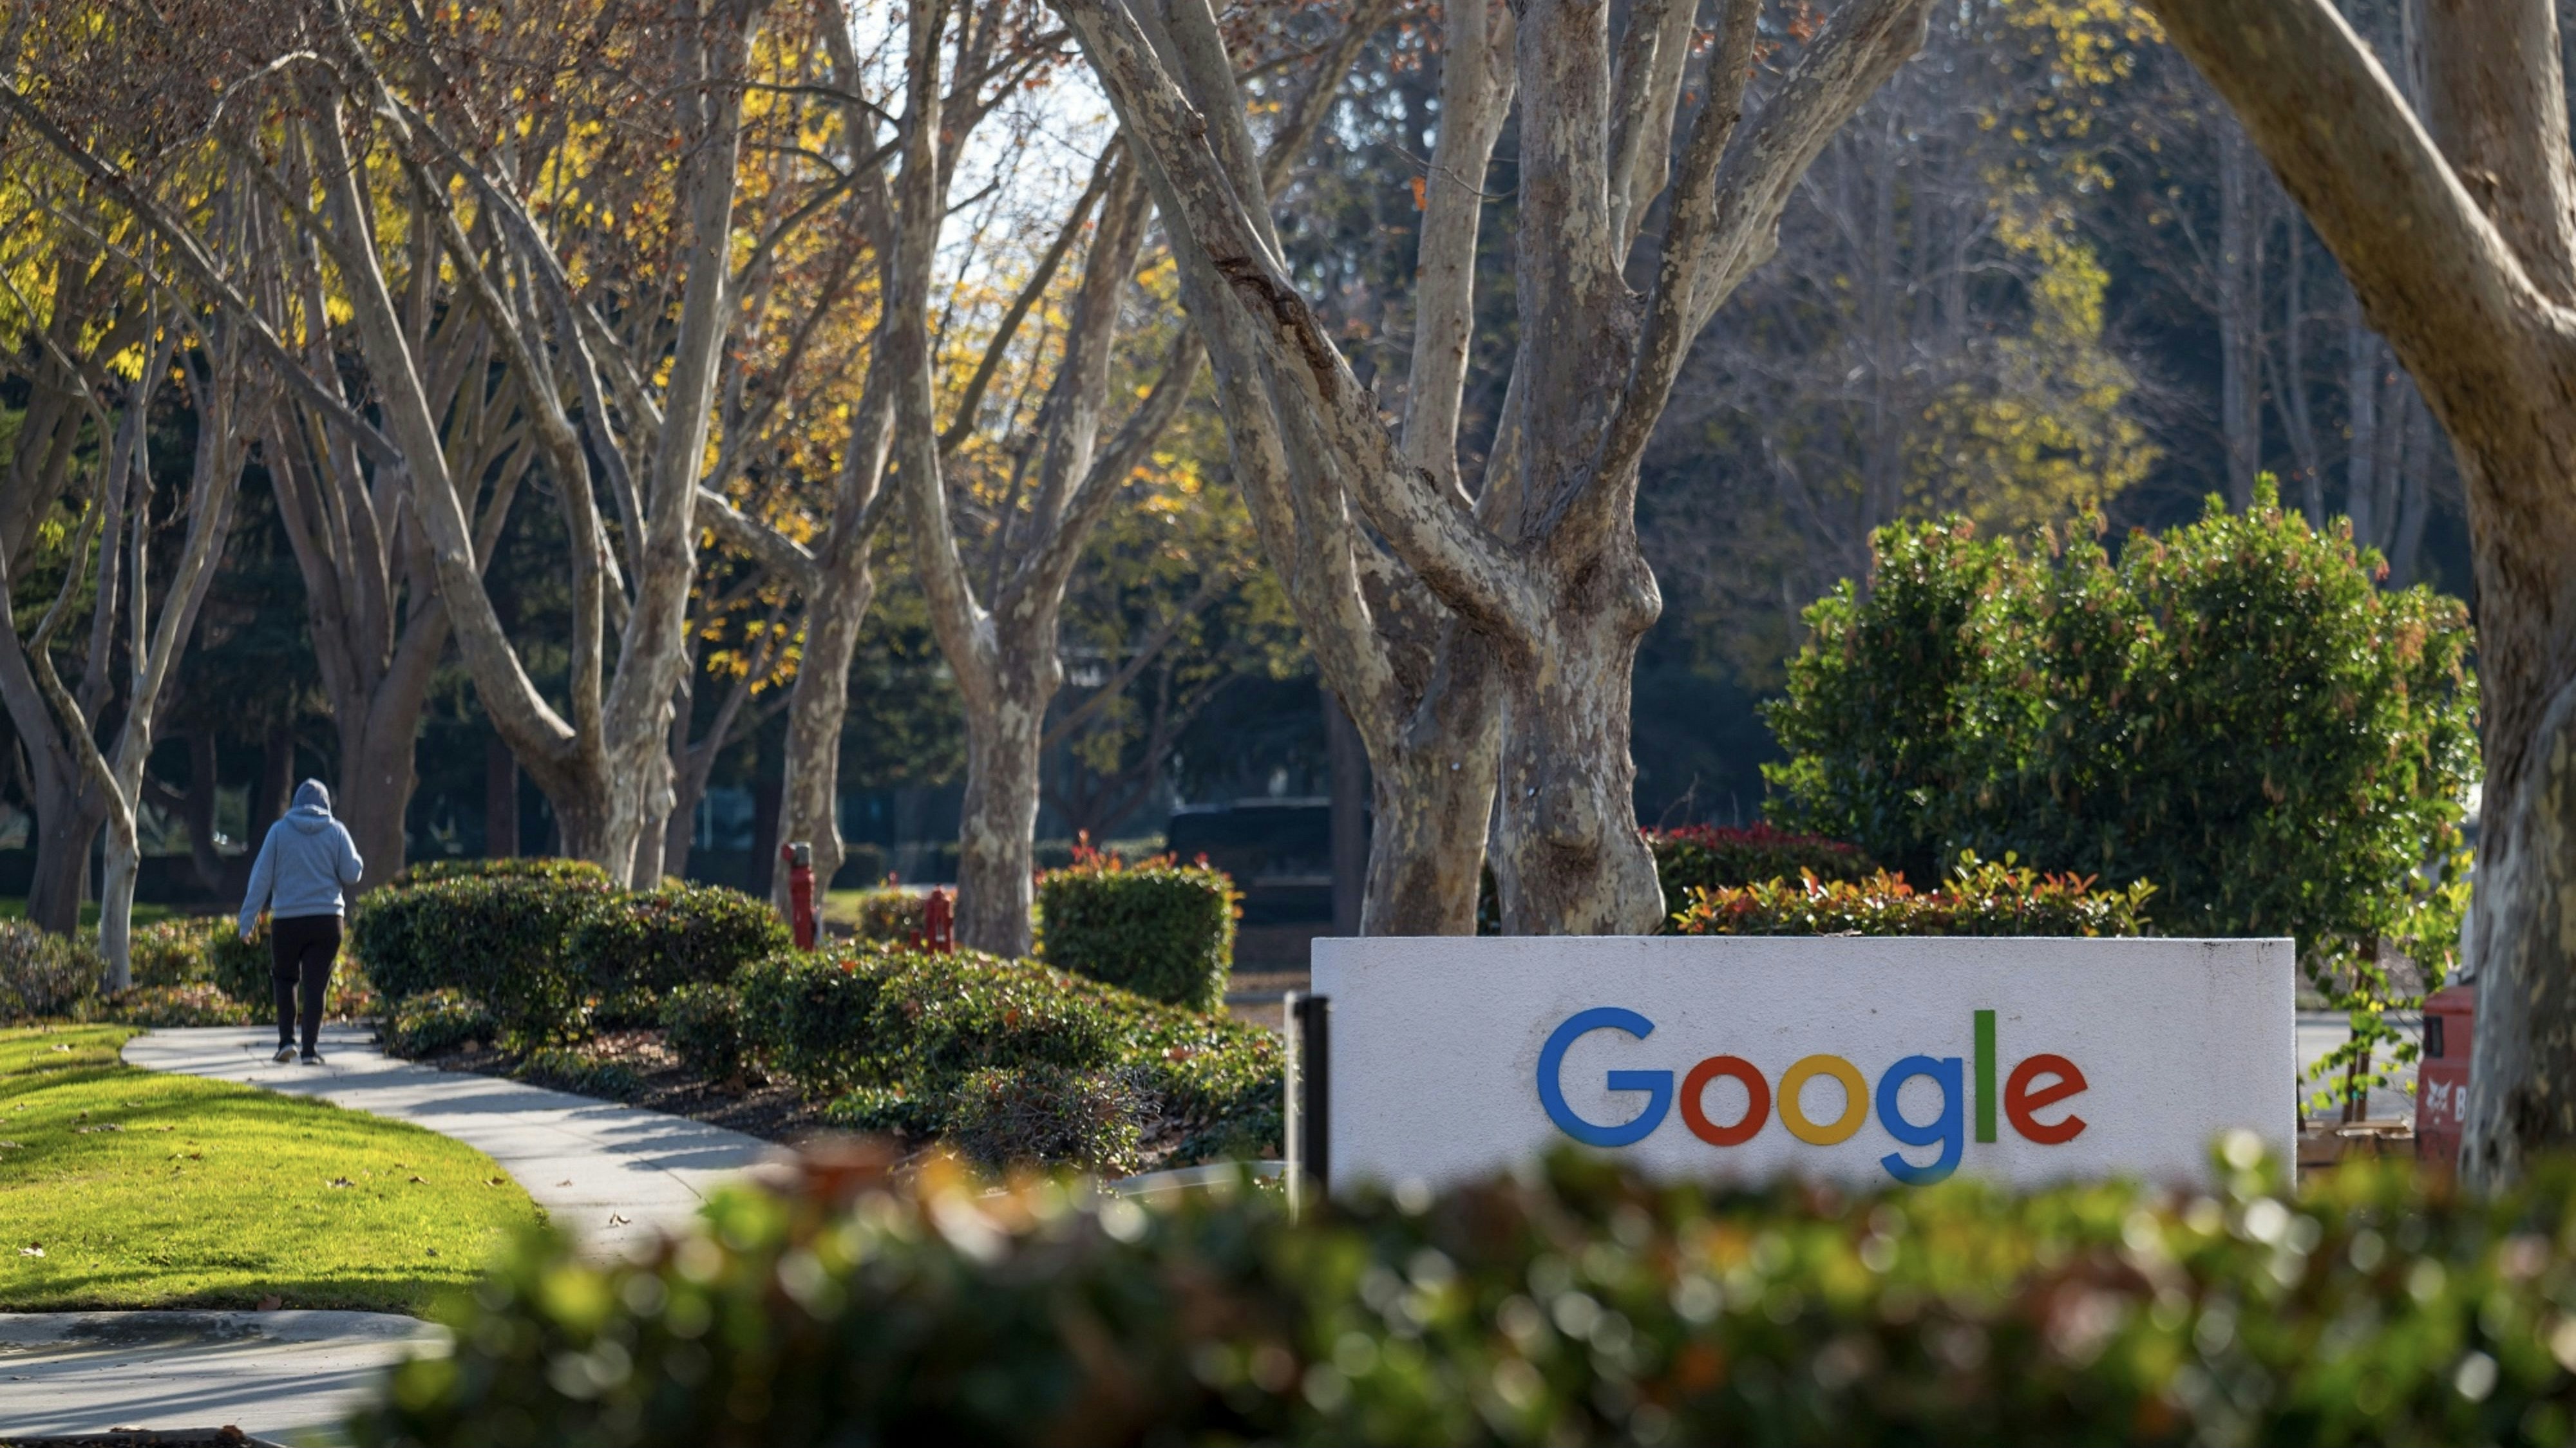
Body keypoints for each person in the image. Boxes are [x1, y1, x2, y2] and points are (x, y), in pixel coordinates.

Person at [238, 780, 365, 1064]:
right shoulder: (336, 831)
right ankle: (310, 1050)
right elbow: (352, 873)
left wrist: (247, 922)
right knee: (316, 985)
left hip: (287, 921)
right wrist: (356, 859)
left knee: (285, 980)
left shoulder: (279, 832)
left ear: (295, 804)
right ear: (326, 805)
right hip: (327, 920)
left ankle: (286, 1042)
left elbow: (261, 878)